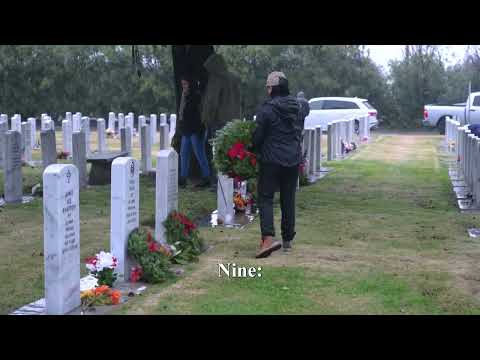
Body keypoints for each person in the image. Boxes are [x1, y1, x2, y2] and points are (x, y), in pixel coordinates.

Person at [252, 71, 302, 258]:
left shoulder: (267, 109)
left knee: (265, 198)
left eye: (268, 87)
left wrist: (250, 147)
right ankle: (287, 239)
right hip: (293, 159)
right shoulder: (297, 107)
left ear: (272, 88)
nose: (267, 90)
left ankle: (267, 239)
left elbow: (258, 136)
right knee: (288, 198)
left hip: (271, 160)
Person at [177, 76, 211, 188]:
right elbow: (182, 113)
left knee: (200, 154)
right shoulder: (184, 95)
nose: (184, 87)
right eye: (182, 85)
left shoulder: (197, 96)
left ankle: (207, 178)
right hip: (187, 129)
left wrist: (201, 129)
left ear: (190, 84)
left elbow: (201, 114)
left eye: (185, 84)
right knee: (184, 154)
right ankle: (183, 179)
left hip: (197, 130)